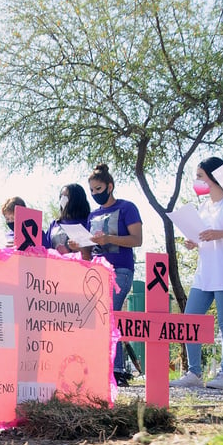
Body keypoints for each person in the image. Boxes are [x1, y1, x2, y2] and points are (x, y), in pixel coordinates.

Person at [169, 157, 223, 390]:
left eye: (200, 175)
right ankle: (194, 372)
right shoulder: (204, 207)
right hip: (205, 272)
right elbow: (202, 235)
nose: (197, 181)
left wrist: (222, 233)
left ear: (213, 177)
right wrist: (193, 242)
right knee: (190, 319)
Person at [69, 164, 143, 387]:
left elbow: (136, 240)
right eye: (91, 190)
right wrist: (78, 245)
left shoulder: (127, 207)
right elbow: (90, 248)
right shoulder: (93, 215)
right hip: (97, 271)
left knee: (110, 312)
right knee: (100, 317)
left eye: (98, 188)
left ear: (110, 187)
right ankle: (105, 369)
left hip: (121, 270)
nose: (95, 194)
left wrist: (110, 239)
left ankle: (118, 370)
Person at [42, 183, 91, 254]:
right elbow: (47, 248)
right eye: (61, 196)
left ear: (77, 199)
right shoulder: (55, 223)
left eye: (66, 196)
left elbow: (91, 251)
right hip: (56, 263)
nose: (63, 199)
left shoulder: (88, 222)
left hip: (79, 263)